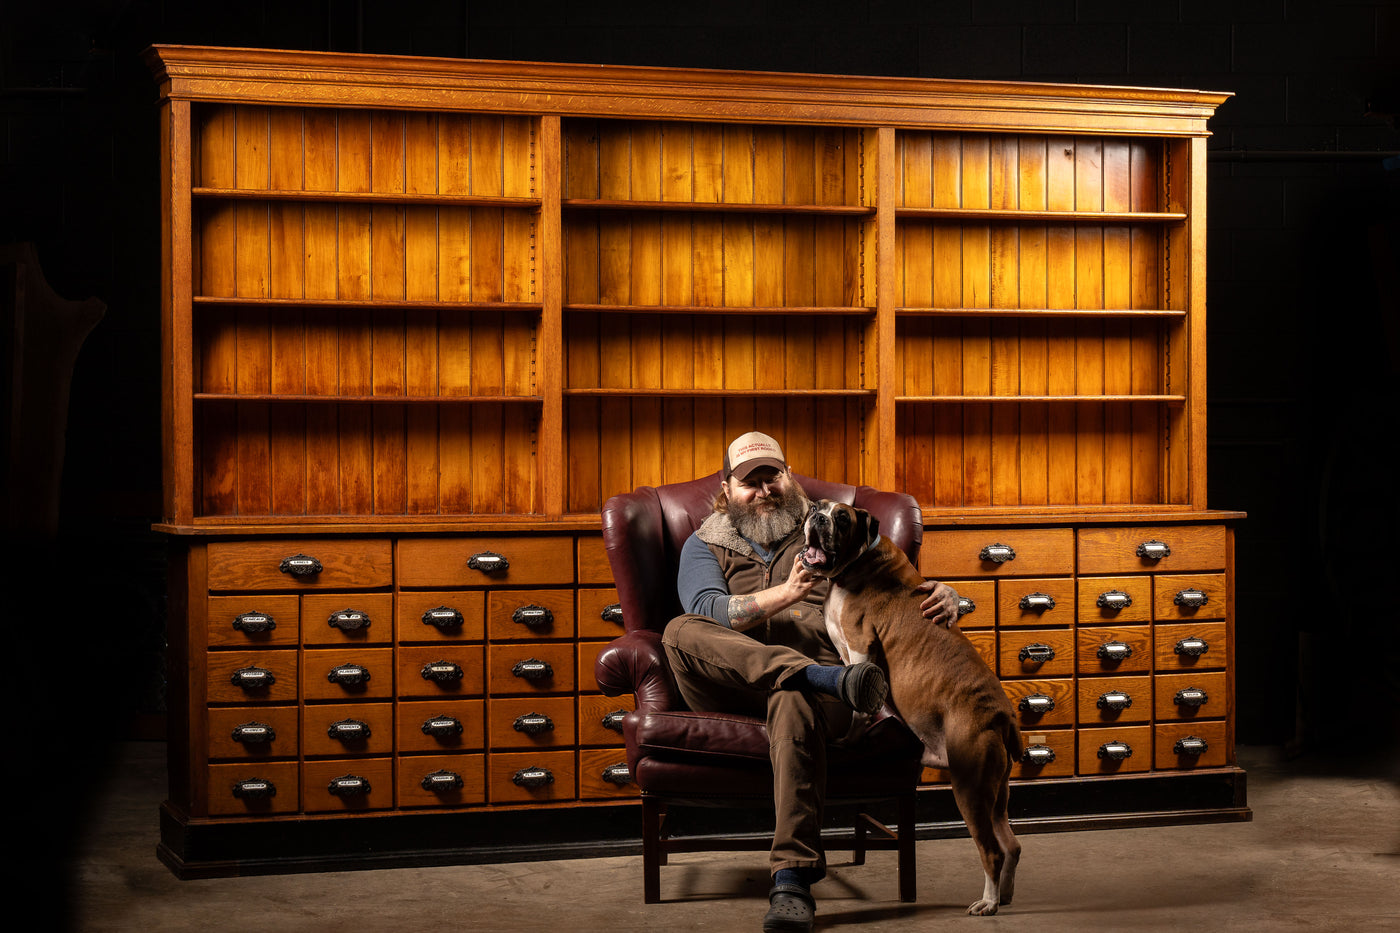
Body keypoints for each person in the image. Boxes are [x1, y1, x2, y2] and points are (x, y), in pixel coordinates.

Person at [661, 431, 960, 933]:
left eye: (772, 476)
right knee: (678, 630)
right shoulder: (703, 542)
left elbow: (897, 584)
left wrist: (947, 595)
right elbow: (709, 611)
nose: (764, 489)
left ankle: (792, 880)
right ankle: (816, 676)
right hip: (733, 681)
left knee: (793, 696)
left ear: (788, 477)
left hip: (820, 695)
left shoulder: (830, 527)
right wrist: (785, 594)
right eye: (750, 481)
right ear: (727, 489)